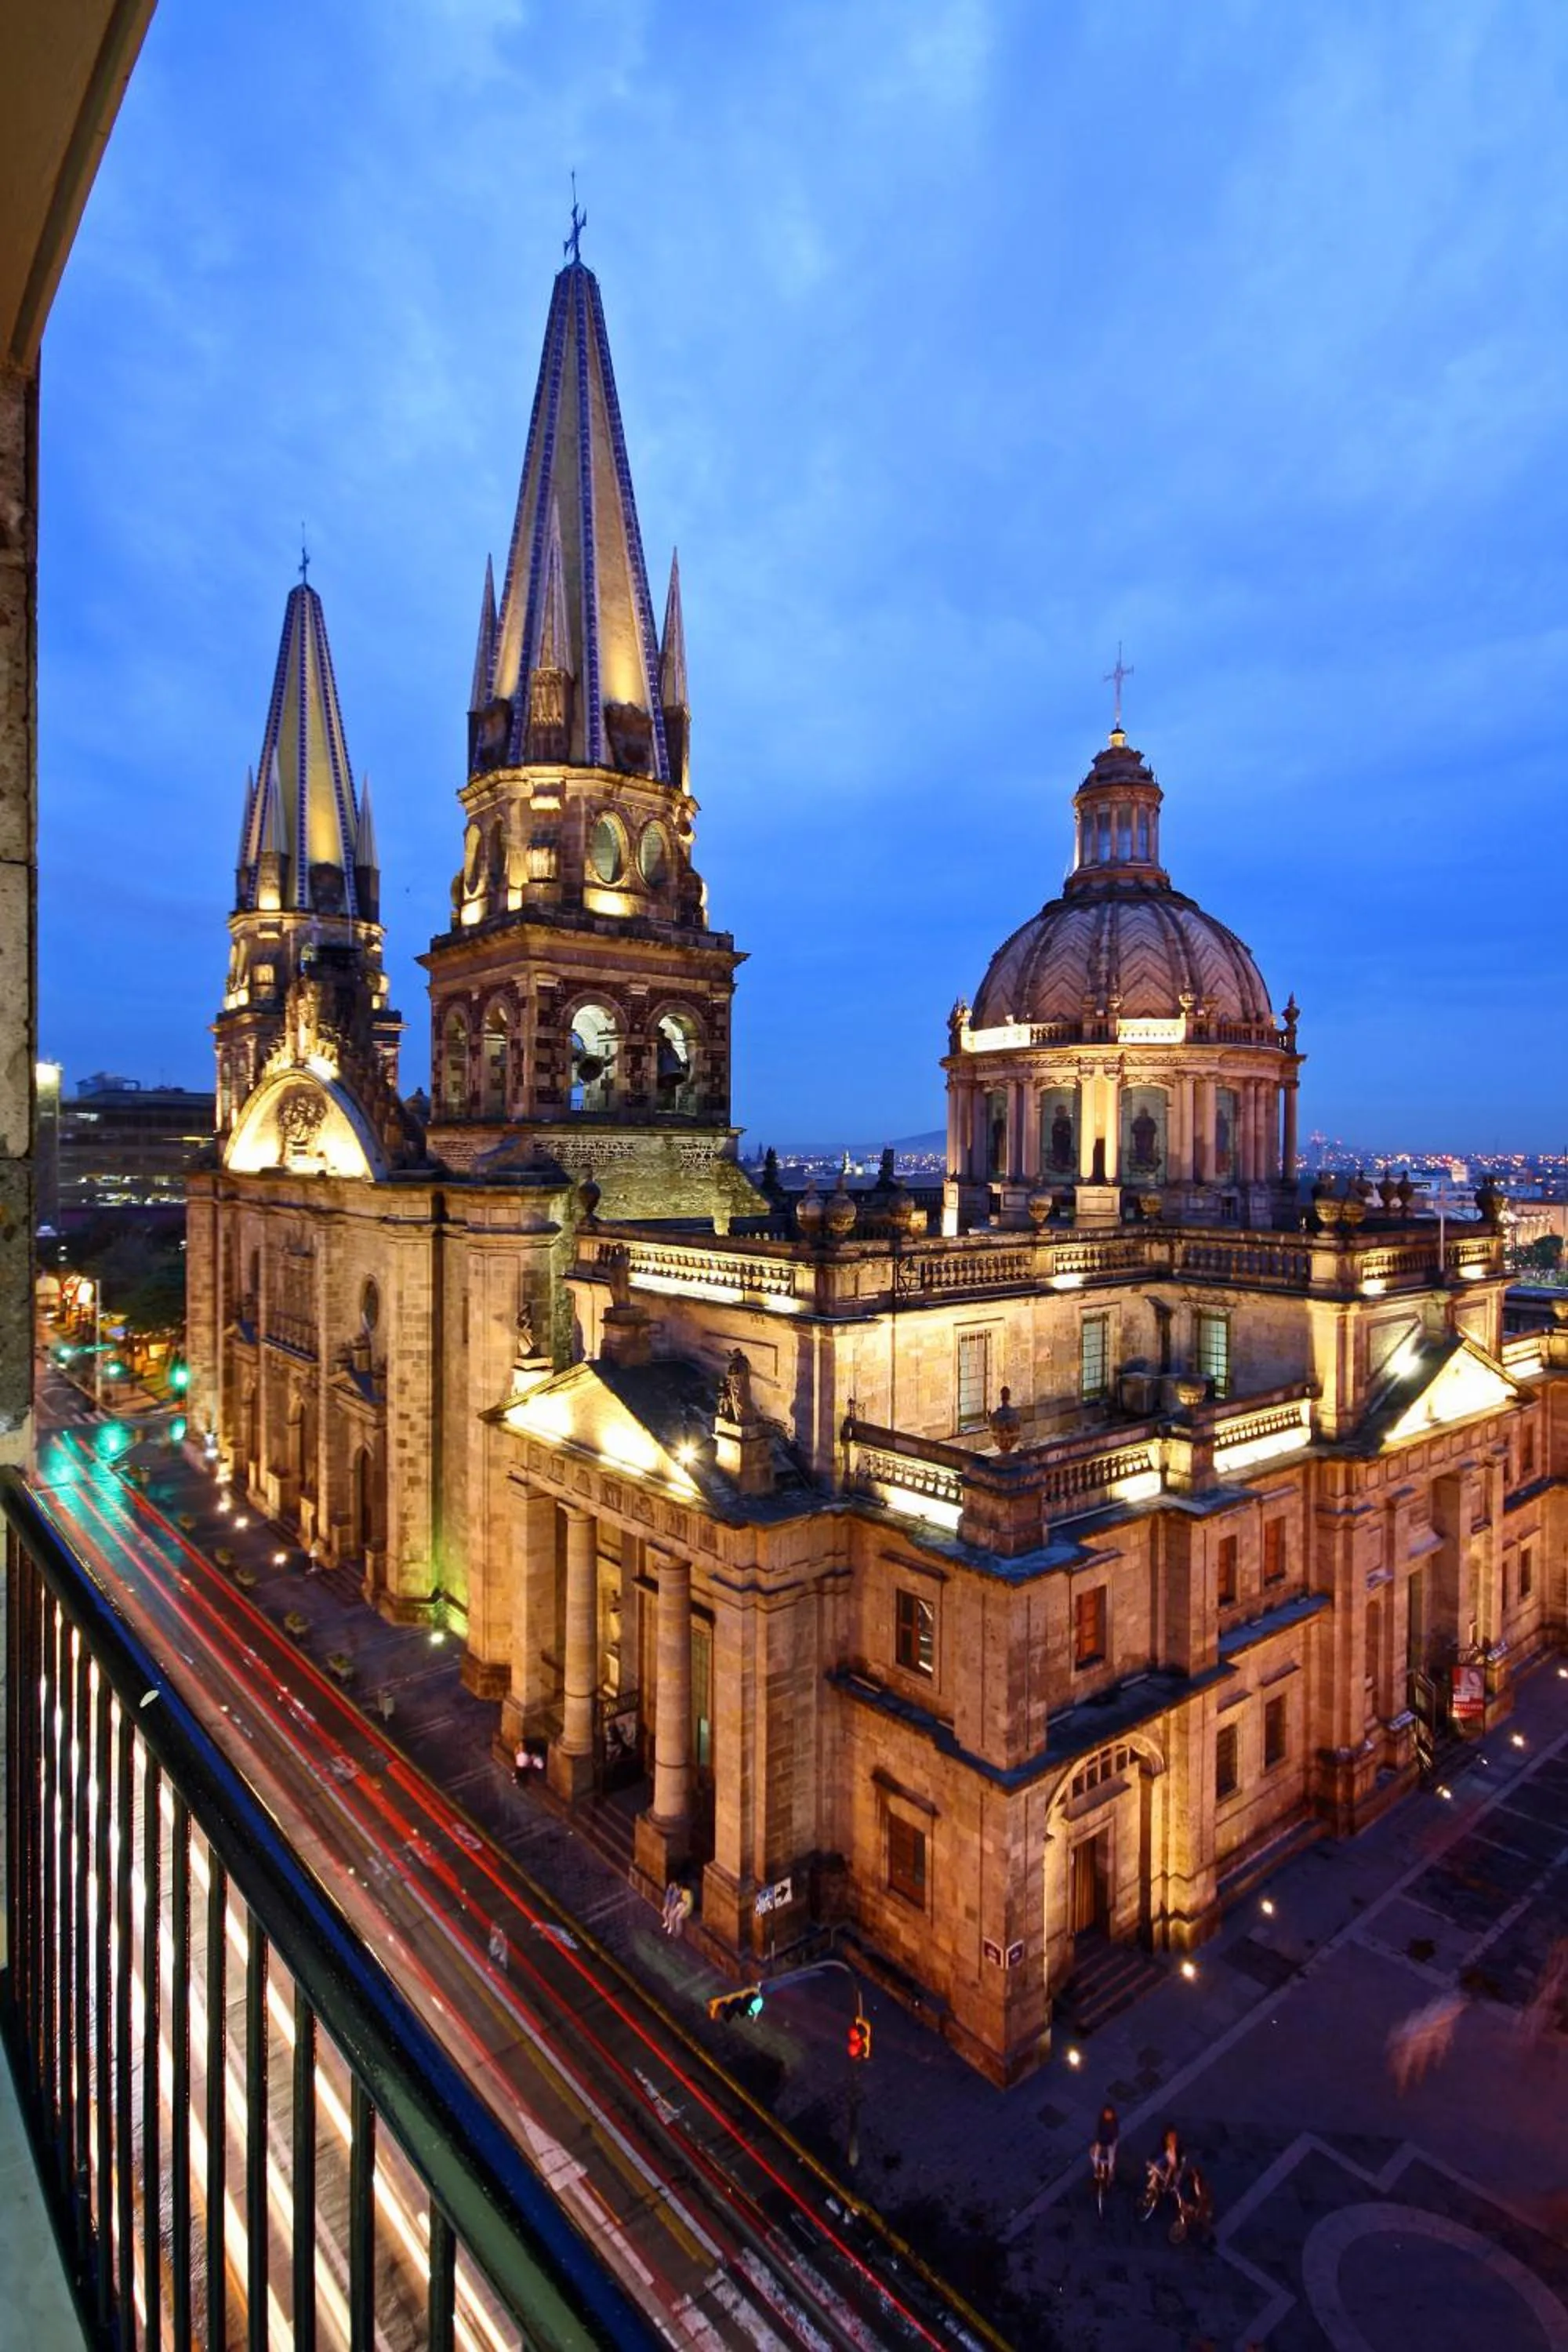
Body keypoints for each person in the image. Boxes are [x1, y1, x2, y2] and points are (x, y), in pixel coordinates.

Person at [1143, 2125, 1183, 2214]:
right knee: (1154, 2174)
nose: (1171, 2140)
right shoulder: (1163, 2147)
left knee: (1172, 2189)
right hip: (1162, 2168)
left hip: (1171, 2172)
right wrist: (1150, 2162)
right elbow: (1156, 2156)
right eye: (1169, 2138)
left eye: (1173, 2138)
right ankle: (1151, 2189)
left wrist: (1172, 2178)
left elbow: (1177, 2167)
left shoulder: (1178, 2151)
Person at [1090, 2104, 1119, 2200]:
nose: (1108, 2115)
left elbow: (1115, 2136)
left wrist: (1112, 2142)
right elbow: (1098, 2132)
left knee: (1111, 2152)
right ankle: (1096, 2169)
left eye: (1109, 2114)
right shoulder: (1101, 2121)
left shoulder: (1114, 2123)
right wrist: (1099, 2141)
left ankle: (1111, 2171)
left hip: (1110, 2141)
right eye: (1106, 2114)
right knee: (1095, 2150)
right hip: (1102, 2140)